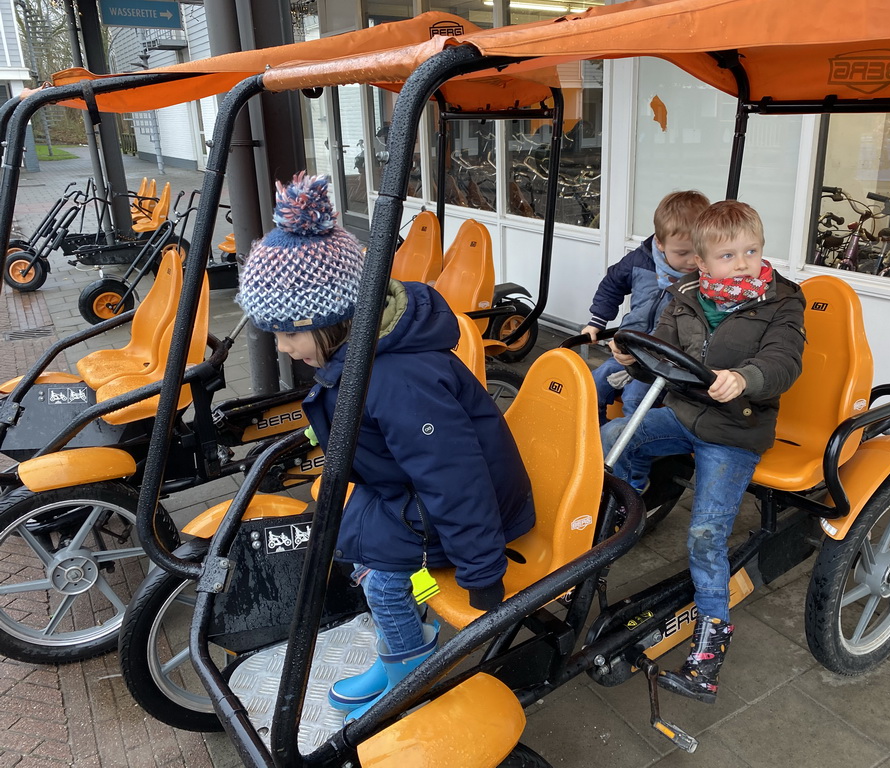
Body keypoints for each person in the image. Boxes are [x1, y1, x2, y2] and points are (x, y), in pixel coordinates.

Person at [235, 173, 535, 721]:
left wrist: (482, 572)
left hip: (474, 508)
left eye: (288, 333)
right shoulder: (353, 357)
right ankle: (400, 649)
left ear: (332, 321)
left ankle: (407, 673)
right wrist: (313, 434)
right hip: (406, 488)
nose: (281, 347)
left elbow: (456, 478)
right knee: (355, 542)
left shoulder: (398, 380)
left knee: (381, 578)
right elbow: (356, 420)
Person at [600, 200, 806, 704]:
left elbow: (783, 362)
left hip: (735, 429)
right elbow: (660, 354)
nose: (742, 263)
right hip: (685, 413)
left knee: (707, 534)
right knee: (614, 439)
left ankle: (713, 635)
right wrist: (634, 354)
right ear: (702, 261)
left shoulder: (782, 301)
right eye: (728, 255)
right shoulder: (686, 294)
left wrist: (744, 378)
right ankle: (632, 504)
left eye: (751, 251)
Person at [582, 190, 710, 423]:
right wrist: (597, 321)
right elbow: (612, 284)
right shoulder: (639, 261)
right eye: (682, 253)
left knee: (635, 399)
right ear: (659, 243)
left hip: (667, 360)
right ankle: (596, 440)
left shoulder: (705, 278)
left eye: (699, 251)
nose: (692, 261)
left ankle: (633, 453)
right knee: (591, 387)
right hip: (630, 348)